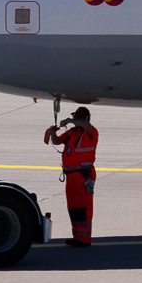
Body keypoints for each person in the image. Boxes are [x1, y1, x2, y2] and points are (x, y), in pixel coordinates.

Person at [45, 106, 98, 247]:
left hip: (83, 175)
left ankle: (85, 239)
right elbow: (57, 141)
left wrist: (70, 120)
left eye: (78, 118)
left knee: (83, 207)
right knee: (73, 207)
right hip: (71, 176)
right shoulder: (72, 133)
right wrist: (53, 133)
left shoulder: (91, 132)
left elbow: (86, 125)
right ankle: (77, 236)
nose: (75, 121)